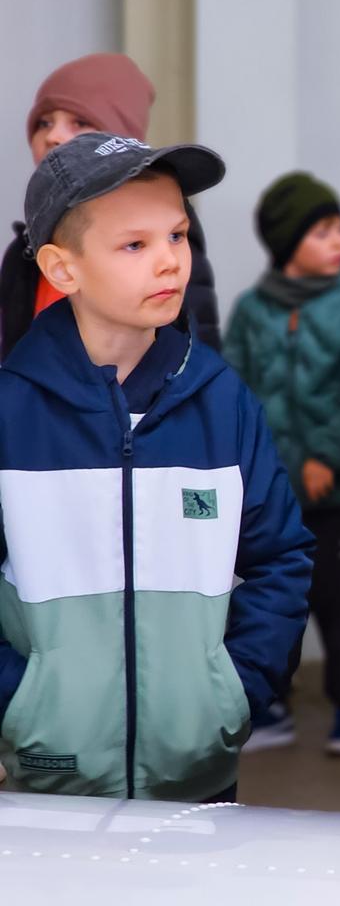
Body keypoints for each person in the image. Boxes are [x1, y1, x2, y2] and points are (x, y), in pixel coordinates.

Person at [0, 133, 314, 800]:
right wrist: (16, 704)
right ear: (62, 269)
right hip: (47, 782)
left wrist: (233, 693)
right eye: (134, 245)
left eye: (177, 235)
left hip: (198, 780)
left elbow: (282, 557)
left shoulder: (223, 402)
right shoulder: (10, 412)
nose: (170, 260)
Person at [224, 172, 340, 756]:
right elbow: (237, 389)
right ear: (286, 244)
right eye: (321, 231)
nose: (339, 241)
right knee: (276, 596)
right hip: (276, 493)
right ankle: (271, 702)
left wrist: (329, 455)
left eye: (339, 228)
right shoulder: (254, 310)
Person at [1, 54, 221, 360]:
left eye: (80, 122)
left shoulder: (172, 251)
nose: (53, 136)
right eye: (44, 122)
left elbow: (197, 355)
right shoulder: (23, 253)